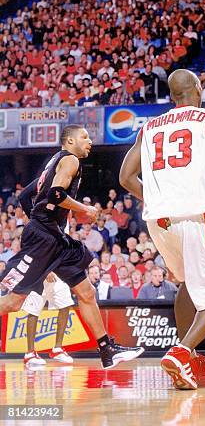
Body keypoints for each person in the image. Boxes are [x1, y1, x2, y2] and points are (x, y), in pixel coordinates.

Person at [119, 69, 205, 390]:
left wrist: (161, 198)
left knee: (190, 282)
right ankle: (181, 351)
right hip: (194, 215)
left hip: (159, 221)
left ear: (173, 96)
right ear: (199, 89)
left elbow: (125, 178)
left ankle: (187, 353)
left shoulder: (147, 127)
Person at [0, 125, 143, 369]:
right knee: (14, 301)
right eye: (84, 137)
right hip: (43, 240)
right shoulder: (70, 160)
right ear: (69, 141)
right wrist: (84, 209)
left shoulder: (53, 163)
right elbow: (56, 195)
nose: (90, 142)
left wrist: (37, 216)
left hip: (55, 239)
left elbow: (26, 196)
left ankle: (106, 349)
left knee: (86, 293)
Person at [17, 179, 75, 367]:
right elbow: (24, 196)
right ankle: (30, 353)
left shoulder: (62, 212)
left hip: (57, 266)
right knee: (34, 309)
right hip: (41, 269)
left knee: (66, 304)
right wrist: (47, 268)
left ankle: (57, 348)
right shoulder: (41, 216)